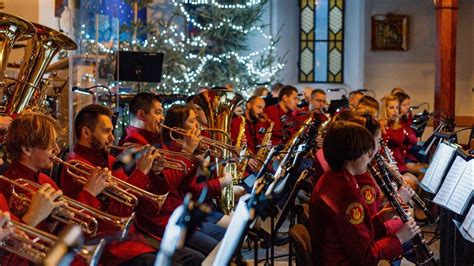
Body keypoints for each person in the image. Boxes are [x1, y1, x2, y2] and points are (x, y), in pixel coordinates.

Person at [309, 121, 420, 265]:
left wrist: (381, 217)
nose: (370, 156)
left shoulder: (333, 178)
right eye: (366, 152)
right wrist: (399, 238)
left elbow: (354, 232)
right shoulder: (346, 194)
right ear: (351, 154)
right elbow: (365, 257)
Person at [60, 104, 159, 265]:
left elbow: (141, 204)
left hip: (133, 241)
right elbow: (113, 217)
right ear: (86, 132)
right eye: (106, 131)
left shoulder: (110, 160)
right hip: (112, 249)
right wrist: (141, 173)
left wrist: (154, 173)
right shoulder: (77, 166)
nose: (112, 137)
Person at [120, 93, 211, 265]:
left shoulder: (155, 141)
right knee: (205, 255)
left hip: (172, 214)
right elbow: (166, 186)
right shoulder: (134, 144)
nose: (162, 117)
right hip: (157, 224)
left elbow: (178, 185)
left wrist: (193, 158)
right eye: (158, 112)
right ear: (141, 115)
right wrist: (187, 154)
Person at [161, 104, 230, 257]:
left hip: (195, 210)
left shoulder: (190, 147)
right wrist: (222, 181)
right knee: (222, 247)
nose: (197, 125)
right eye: (192, 121)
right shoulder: (172, 150)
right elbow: (192, 189)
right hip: (181, 214)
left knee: (231, 238)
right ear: (179, 125)